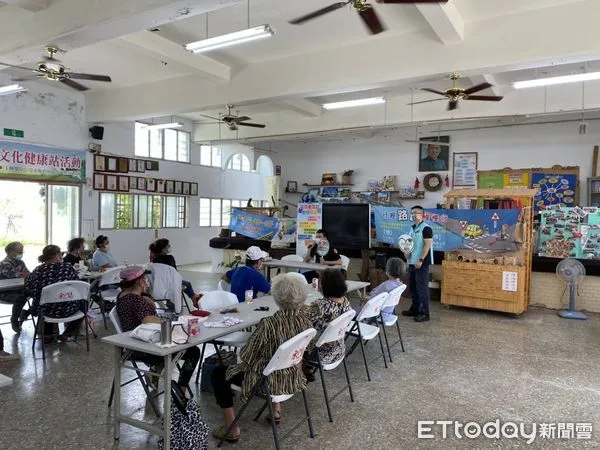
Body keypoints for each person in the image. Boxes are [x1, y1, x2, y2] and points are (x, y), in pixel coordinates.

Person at [210, 273, 312, 442]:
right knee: (275, 361)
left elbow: (246, 356)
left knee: (218, 374)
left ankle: (231, 427)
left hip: (267, 382)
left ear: (276, 297)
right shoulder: (305, 321)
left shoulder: (269, 324)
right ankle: (276, 409)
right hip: (293, 376)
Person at [115, 265, 200, 389]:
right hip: (145, 347)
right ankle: (181, 389)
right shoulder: (136, 300)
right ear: (140, 282)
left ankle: (156, 371)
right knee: (193, 351)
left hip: (132, 342)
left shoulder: (122, 296)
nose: (147, 280)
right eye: (144, 278)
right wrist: (171, 320)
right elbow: (148, 320)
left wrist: (146, 297)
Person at [24, 245, 84, 343]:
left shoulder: (38, 270)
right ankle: (67, 333)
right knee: (85, 304)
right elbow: (77, 286)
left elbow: (29, 289)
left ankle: (47, 335)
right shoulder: (67, 268)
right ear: (56, 255)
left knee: (44, 302)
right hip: (68, 309)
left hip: (46, 311)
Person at [303, 268, 352, 381]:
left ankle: (296, 372)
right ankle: (307, 369)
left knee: (292, 334)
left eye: (319, 281)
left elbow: (302, 321)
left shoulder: (320, 306)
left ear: (325, 286)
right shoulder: (345, 301)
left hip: (320, 354)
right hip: (338, 349)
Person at [149, 238, 202, 307]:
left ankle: (195, 295)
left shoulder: (154, 260)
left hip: (158, 285)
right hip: (171, 284)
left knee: (183, 283)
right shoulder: (170, 258)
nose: (169, 247)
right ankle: (195, 302)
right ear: (163, 249)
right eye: (168, 246)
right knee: (187, 284)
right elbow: (175, 273)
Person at [402, 206, 433, 322]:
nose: (413, 215)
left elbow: (427, 245)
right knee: (413, 287)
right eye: (412, 213)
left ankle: (424, 313)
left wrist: (420, 260)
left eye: (416, 213)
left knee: (422, 288)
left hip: (421, 263)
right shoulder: (412, 228)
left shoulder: (426, 228)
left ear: (422, 214)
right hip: (411, 262)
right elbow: (408, 244)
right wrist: (406, 254)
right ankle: (414, 309)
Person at [0, 241, 31, 333]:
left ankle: (26, 313)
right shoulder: (4, 264)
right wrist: (22, 274)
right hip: (6, 292)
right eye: (19, 251)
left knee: (39, 293)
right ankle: (15, 319)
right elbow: (12, 275)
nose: (21, 253)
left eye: (22, 251)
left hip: (20, 289)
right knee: (21, 298)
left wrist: (22, 274)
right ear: (10, 252)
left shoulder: (21, 262)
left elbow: (28, 274)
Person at [368, 257, 406, 322]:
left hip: (377, 313)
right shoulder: (400, 285)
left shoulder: (386, 285)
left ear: (388, 270)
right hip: (389, 312)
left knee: (354, 312)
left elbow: (372, 298)